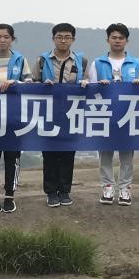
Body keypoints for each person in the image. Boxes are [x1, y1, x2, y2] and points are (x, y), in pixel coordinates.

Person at [32, 23, 87, 208]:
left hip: (71, 113)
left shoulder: (81, 61)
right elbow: (31, 84)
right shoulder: (42, 60)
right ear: (53, 38)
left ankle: (64, 190)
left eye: (67, 37)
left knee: (68, 153)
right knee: (49, 154)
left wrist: (85, 83)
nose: (63, 40)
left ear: (73, 39)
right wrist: (41, 85)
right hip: (48, 113)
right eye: (59, 37)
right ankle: (50, 191)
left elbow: (86, 82)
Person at [0, 23, 32, 213]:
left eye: (6, 37)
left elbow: (30, 83)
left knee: (12, 157)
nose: (2, 40)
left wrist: (14, 82)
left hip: (14, 117)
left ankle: (10, 194)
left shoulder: (20, 60)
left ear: (12, 39)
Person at [88, 23, 139, 207]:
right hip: (104, 113)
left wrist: (137, 85)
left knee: (127, 154)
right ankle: (107, 187)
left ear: (126, 41)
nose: (117, 41)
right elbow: (91, 89)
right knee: (105, 153)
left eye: (121, 38)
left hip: (128, 113)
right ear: (108, 40)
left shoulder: (136, 63)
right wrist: (100, 85)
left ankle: (125, 188)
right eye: (114, 37)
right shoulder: (97, 63)